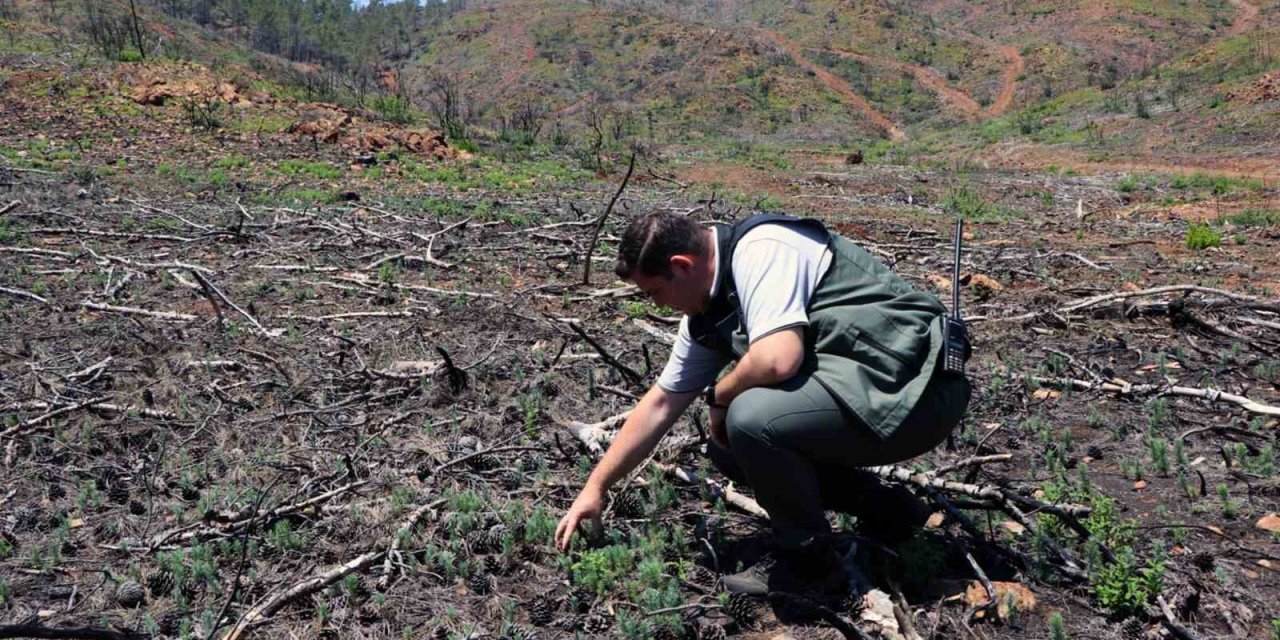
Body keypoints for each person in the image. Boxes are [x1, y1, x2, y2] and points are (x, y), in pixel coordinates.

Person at [553, 210, 970, 596]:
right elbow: (661, 403)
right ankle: (890, 511)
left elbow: (777, 359)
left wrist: (719, 395)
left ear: (682, 266)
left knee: (750, 419)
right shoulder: (706, 312)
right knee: (728, 446)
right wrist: (597, 486)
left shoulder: (762, 250)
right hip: (877, 394)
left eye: (656, 292)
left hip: (919, 394)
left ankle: (809, 566)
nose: (658, 305)